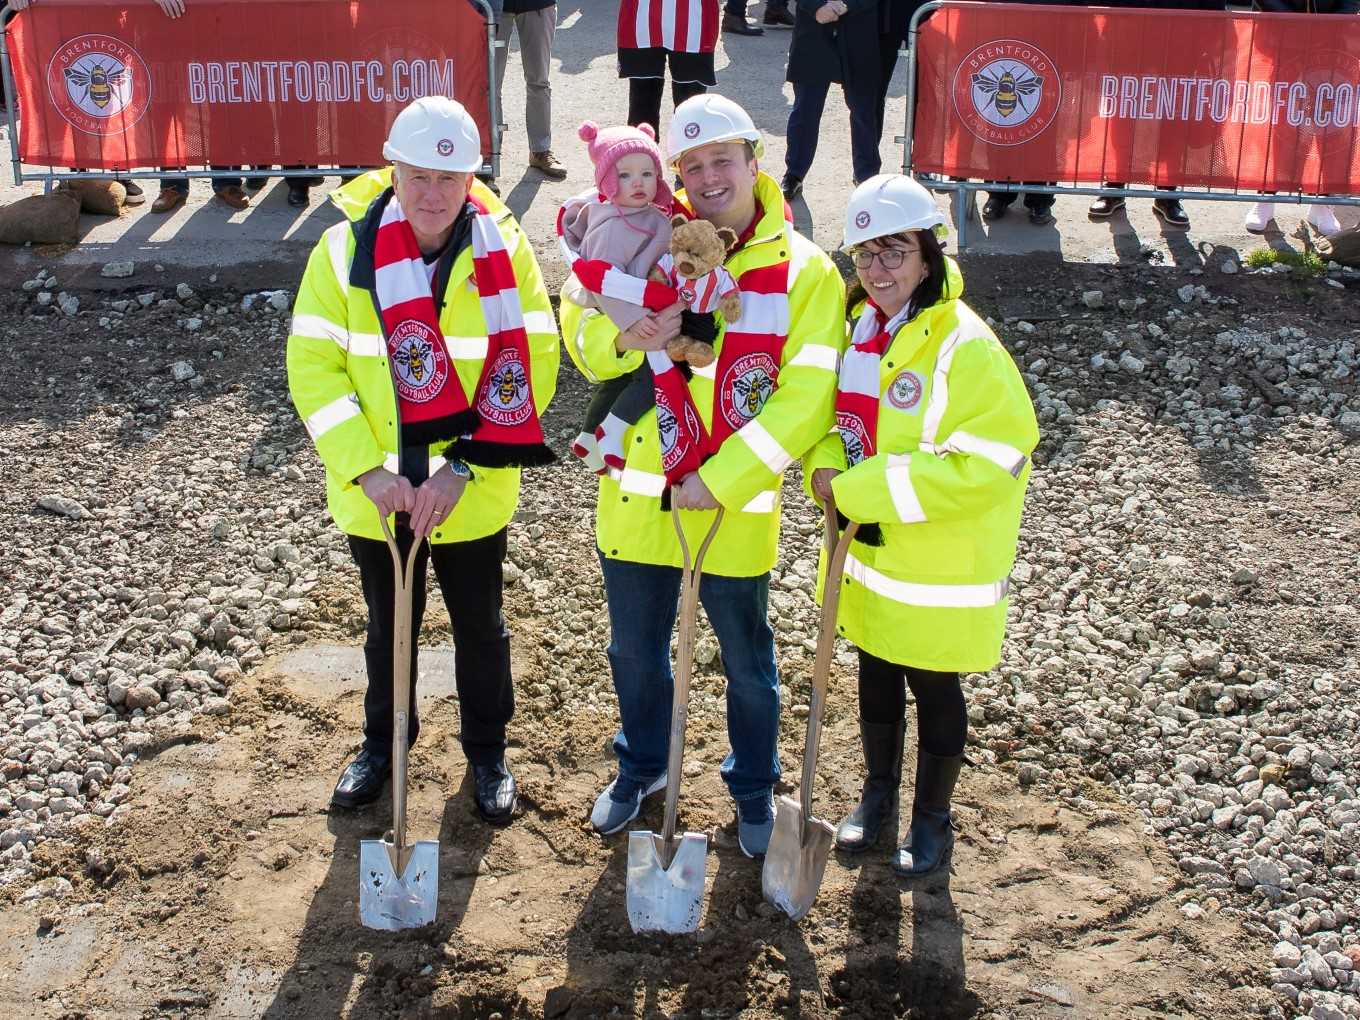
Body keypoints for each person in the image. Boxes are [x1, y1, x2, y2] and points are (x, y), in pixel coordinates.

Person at [559, 93, 846, 857]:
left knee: (747, 666)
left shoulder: (805, 272)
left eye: (725, 158)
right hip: (638, 496)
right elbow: (579, 324)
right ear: (676, 169)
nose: (709, 176)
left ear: (757, 161)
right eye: (694, 163)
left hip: (732, 506)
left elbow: (807, 399)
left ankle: (754, 787)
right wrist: (625, 334)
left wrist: (722, 478)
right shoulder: (646, 234)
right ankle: (644, 768)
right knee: (634, 654)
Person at [286, 96, 559, 825]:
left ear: (472, 177)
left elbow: (533, 361)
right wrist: (368, 472)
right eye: (417, 177)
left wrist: (463, 467)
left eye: (451, 177)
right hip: (377, 493)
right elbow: (314, 369)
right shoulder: (343, 252)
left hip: (468, 489)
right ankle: (383, 742)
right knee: (388, 626)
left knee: (481, 625)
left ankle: (488, 752)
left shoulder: (505, 249)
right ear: (392, 171)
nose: (434, 195)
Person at [805, 175, 1038, 876]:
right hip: (870, 554)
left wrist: (858, 490)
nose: (877, 270)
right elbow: (836, 421)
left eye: (894, 252)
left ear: (928, 254)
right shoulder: (861, 327)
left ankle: (932, 821)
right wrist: (825, 468)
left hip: (937, 563)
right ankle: (877, 800)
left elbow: (990, 460)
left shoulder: (966, 346)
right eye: (864, 255)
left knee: (934, 685)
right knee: (874, 668)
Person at [558, 120, 676, 471]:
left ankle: (586, 437)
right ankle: (612, 429)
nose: (638, 183)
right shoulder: (611, 225)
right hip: (621, 310)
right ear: (608, 181)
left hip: (637, 304)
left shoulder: (647, 214)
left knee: (620, 379)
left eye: (647, 173)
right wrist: (631, 320)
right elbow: (603, 283)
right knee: (652, 373)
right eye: (624, 176)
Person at [781, 0, 882, 200]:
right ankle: (794, 173)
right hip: (814, 29)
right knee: (806, 109)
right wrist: (816, 7)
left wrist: (847, 4)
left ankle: (866, 176)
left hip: (859, 28)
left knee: (863, 109)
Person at [492, 0, 568, 182]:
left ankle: (540, 150)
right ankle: (490, 153)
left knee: (539, 83)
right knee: (490, 85)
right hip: (494, 7)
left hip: (538, 5)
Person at [617, 0, 718, 136]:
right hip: (642, 15)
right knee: (642, 99)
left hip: (694, 16)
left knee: (690, 104)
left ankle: (689, 152)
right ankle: (642, 152)